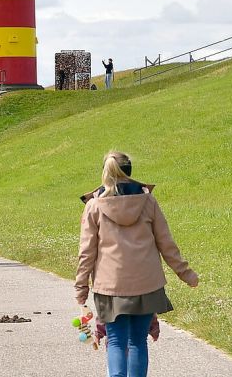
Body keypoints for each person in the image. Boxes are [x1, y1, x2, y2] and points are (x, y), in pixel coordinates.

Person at [75, 151, 199, 377]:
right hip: (147, 284)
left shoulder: (94, 206)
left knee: (115, 341)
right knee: (137, 342)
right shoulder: (148, 201)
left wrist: (81, 288)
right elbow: (166, 243)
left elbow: (86, 252)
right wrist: (186, 274)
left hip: (110, 286)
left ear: (105, 172)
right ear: (130, 172)